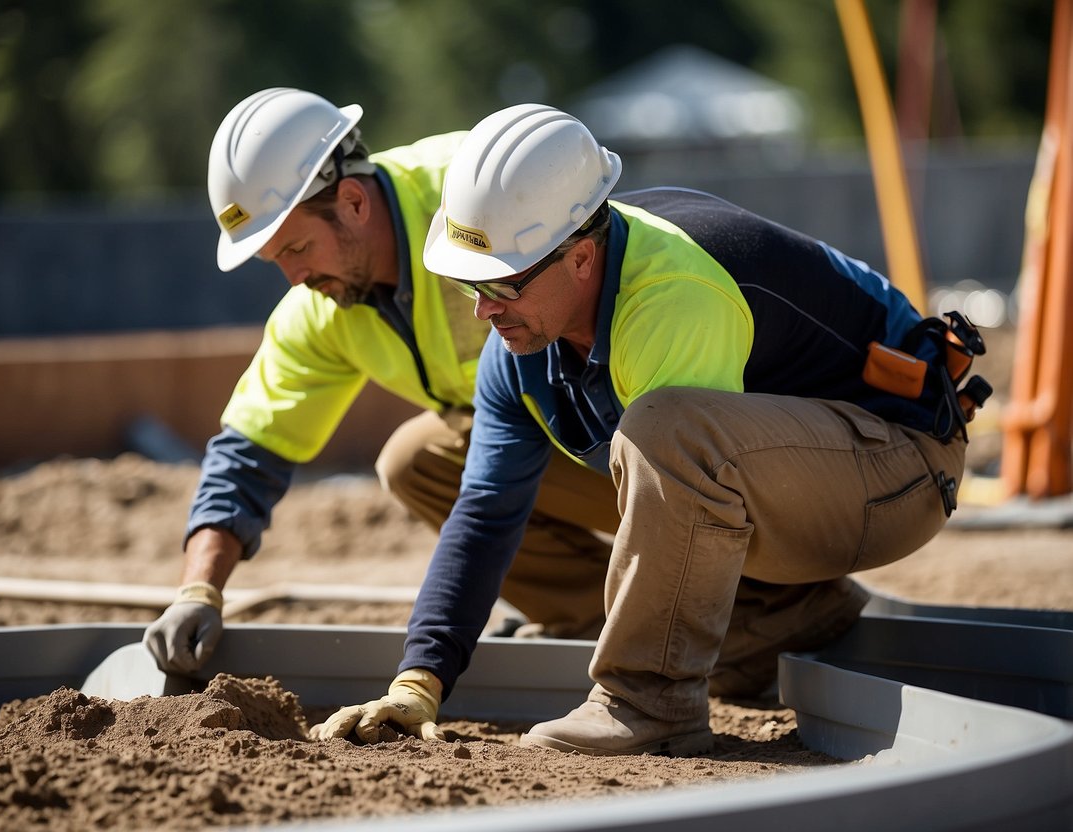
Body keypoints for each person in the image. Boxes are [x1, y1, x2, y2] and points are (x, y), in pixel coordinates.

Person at [309, 103, 988, 755]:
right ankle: (768, 628)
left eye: (503, 284)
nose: (483, 310)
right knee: (429, 456)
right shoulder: (523, 334)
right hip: (783, 477)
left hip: (898, 465)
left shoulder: (672, 299)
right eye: (468, 283)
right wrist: (418, 681)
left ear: (579, 255)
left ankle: (648, 703)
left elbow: (691, 481)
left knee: (666, 430)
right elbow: (486, 511)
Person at [144, 90, 622, 675]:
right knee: (415, 461)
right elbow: (247, 454)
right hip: (536, 445)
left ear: (351, 201)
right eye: (276, 260)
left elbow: (605, 260)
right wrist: (199, 591)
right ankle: (595, 618)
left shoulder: (474, 197)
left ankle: (727, 609)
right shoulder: (319, 308)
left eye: (297, 247)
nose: (295, 278)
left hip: (639, 435)